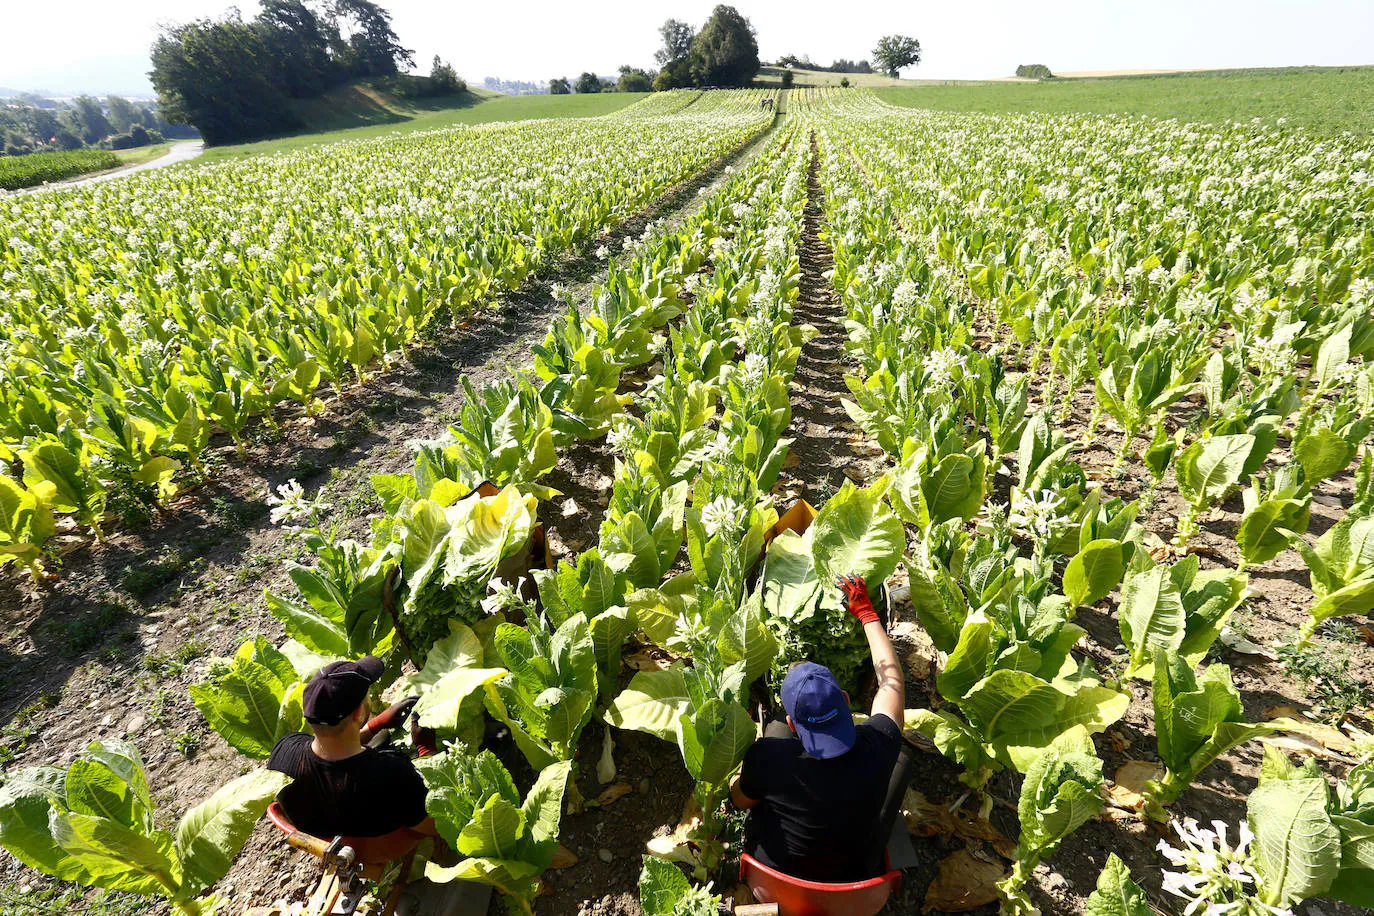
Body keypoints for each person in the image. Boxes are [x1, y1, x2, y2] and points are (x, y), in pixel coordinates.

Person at [730, 574, 905, 883]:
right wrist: (866, 613)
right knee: (902, 765)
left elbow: (741, 801)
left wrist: (739, 780)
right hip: (852, 876)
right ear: (847, 700)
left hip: (772, 875)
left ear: (792, 723)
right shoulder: (879, 745)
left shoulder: (768, 757)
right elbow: (892, 684)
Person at [267, 656, 438, 839]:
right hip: (384, 848)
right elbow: (435, 826)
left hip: (328, 843)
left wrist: (375, 725)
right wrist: (426, 750)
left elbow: (333, 752)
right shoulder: (392, 775)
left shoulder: (283, 752)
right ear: (358, 712)